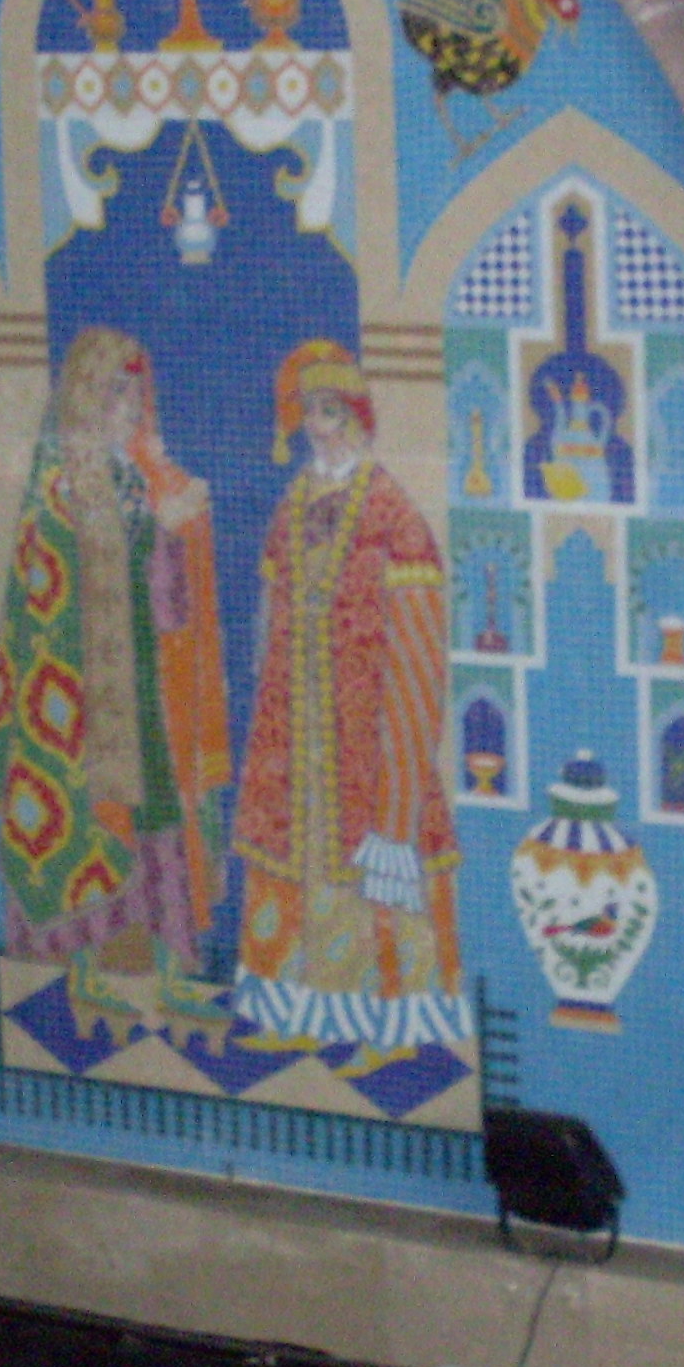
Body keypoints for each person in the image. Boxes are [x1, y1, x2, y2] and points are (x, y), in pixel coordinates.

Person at [232, 340, 469, 1063]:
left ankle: (391, 1033)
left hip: (371, 739)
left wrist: (402, 754)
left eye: (332, 412)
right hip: (298, 737)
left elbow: (421, 648)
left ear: (359, 418)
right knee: (297, 872)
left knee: (378, 880)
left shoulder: (393, 514)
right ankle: (301, 1011)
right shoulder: (293, 503)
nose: (318, 427)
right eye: (310, 412)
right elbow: (268, 616)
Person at [0, 328, 229, 1003]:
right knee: (100, 828)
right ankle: (82, 979)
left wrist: (175, 530)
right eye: (116, 395)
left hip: (137, 698)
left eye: (136, 396)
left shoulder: (127, 479)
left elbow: (164, 608)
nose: (130, 410)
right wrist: (159, 525)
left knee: (153, 816)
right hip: (73, 723)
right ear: (86, 401)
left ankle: (152, 977)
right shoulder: (59, 486)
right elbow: (65, 584)